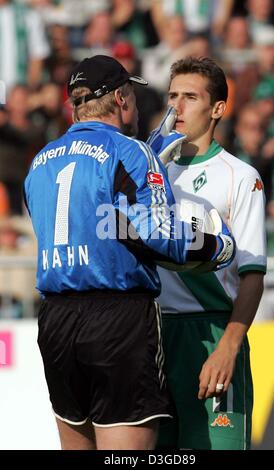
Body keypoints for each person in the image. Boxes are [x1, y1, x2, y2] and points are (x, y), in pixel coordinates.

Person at [23, 55, 235, 451]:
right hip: (118, 318)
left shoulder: (39, 161)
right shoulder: (133, 152)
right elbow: (157, 235)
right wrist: (217, 245)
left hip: (55, 319)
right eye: (133, 97)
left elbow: (96, 223)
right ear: (121, 99)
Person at [152, 57, 267, 450]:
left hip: (212, 332)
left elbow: (253, 274)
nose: (176, 108)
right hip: (154, 337)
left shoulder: (241, 176)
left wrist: (229, 346)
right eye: (172, 96)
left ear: (218, 109)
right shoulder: (149, 172)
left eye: (190, 97)